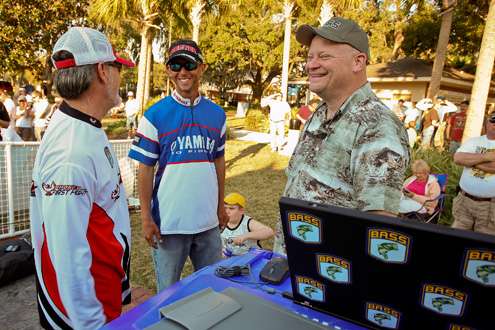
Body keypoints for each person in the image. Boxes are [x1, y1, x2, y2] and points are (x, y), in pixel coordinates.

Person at [273, 17, 410, 254]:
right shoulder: (321, 112)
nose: (311, 65)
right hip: (291, 266)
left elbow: (378, 225)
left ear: (358, 62)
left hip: (330, 274)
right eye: (310, 57)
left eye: (324, 57)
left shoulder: (377, 126)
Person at [30, 26, 135, 329]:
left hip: (101, 297)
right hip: (83, 316)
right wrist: (90, 323)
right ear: (103, 71)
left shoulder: (83, 125)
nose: (120, 76)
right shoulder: (71, 151)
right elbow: (67, 254)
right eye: (117, 67)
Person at [128, 39, 227, 292]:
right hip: (168, 225)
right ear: (168, 70)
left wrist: (220, 207)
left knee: (212, 290)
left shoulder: (218, 115)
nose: (183, 72)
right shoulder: (154, 115)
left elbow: (218, 162)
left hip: (208, 224)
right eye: (175, 65)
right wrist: (146, 218)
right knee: (168, 294)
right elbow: (145, 169)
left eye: (189, 64)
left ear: (201, 67)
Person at [451, 112, 495, 235]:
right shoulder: (474, 141)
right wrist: (487, 156)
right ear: (487, 123)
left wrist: (471, 161)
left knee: (483, 246)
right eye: (493, 121)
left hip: (490, 207)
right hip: (464, 201)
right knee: (456, 237)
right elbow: (458, 158)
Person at [221, 192, 274, 257]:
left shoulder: (247, 223)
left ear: (241, 211)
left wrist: (246, 236)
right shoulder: (220, 222)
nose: (227, 211)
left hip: (251, 259)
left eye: (231, 208)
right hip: (230, 261)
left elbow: (269, 231)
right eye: (225, 208)